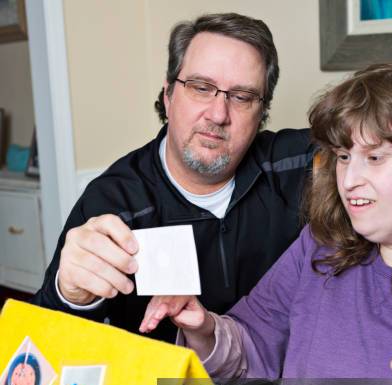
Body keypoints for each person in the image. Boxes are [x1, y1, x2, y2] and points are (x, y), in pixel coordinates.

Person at [32, 13, 313, 343]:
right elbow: (45, 346)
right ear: (168, 97)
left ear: (261, 112)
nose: (218, 114)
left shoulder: (298, 165)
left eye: (241, 96)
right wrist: (69, 295)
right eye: (200, 87)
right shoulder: (114, 202)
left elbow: (377, 132)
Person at [140, 62, 392, 381]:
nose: (349, 180)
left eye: (375, 158)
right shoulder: (319, 245)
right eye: (343, 157)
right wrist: (205, 330)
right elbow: (253, 342)